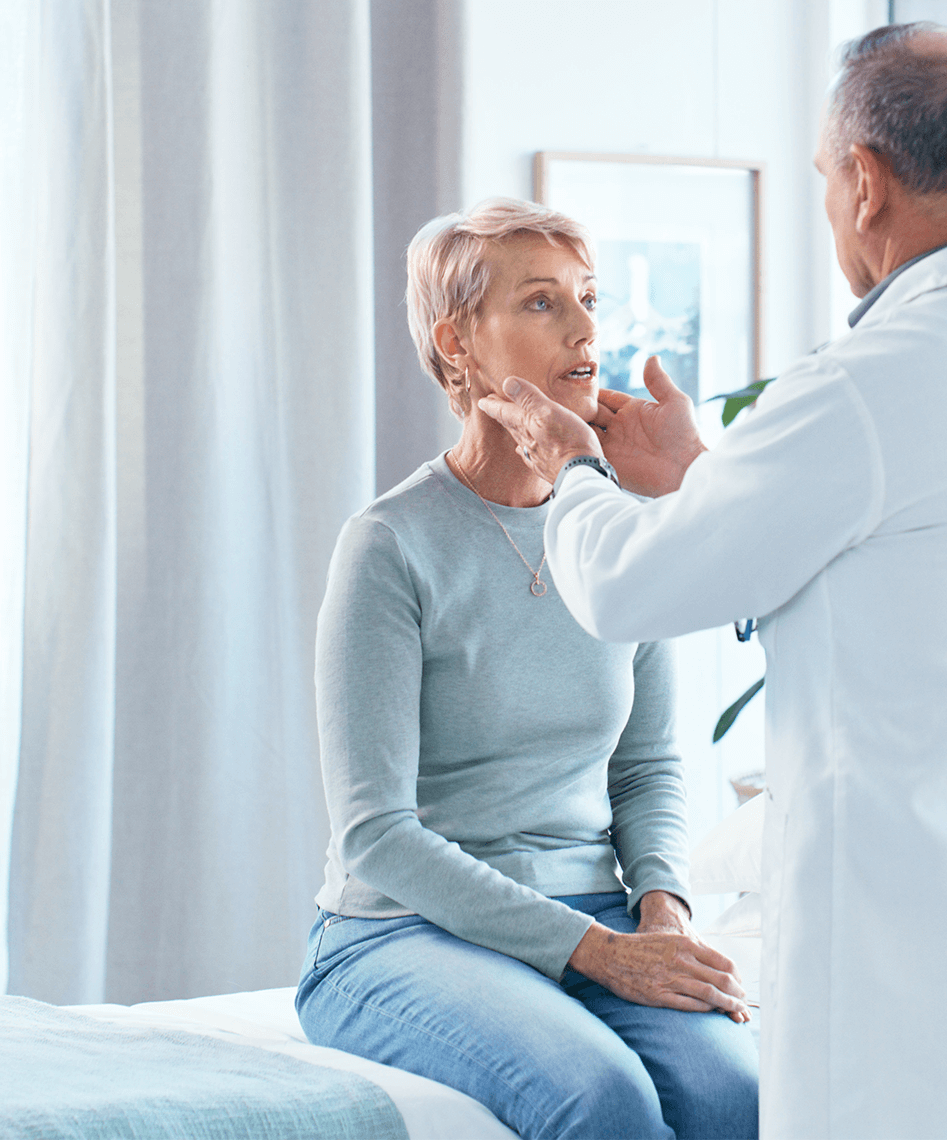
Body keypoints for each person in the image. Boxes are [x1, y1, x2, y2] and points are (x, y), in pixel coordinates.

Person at [480, 24, 947, 1140]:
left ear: (866, 182)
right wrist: (705, 481)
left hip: (914, 1001)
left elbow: (629, 590)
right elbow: (919, 573)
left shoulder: (867, 387)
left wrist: (574, 470)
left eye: (828, 181)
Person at [295, 198, 759, 1140]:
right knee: (602, 1097)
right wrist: (595, 951)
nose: (588, 328)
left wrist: (660, 911)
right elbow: (376, 835)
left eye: (589, 299)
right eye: (544, 304)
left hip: (597, 910)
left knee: (734, 1094)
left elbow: (646, 768)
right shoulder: (389, 544)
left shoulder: (619, 530)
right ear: (457, 341)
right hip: (397, 933)